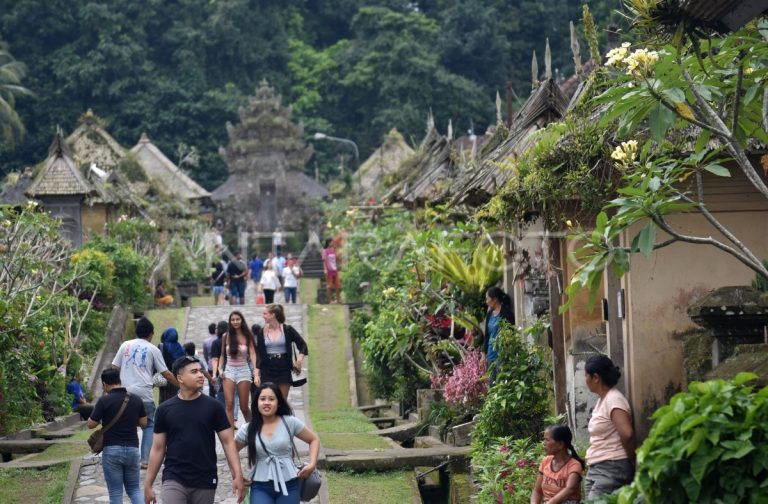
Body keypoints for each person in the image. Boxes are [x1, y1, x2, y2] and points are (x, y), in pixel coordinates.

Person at [143, 356, 244, 504]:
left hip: (205, 478)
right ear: (180, 378)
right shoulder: (165, 409)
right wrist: (148, 484)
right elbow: (158, 448)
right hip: (174, 477)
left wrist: (237, 474)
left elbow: (228, 442)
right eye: (194, 371)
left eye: (201, 371)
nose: (201, 375)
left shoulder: (214, 407)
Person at [235, 383, 320, 503]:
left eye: (271, 399)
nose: (266, 402)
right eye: (262, 399)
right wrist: (237, 474)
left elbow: (314, 439)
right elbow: (231, 451)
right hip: (260, 486)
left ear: (278, 402)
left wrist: (311, 465)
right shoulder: (248, 429)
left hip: (289, 484)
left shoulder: (290, 422)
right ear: (256, 403)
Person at [112, 316, 178, 469]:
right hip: (144, 393)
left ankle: (124, 460)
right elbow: (166, 373)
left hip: (124, 393)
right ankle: (145, 460)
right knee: (148, 425)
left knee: (125, 425)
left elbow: (114, 367)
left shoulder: (125, 346)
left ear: (136, 332)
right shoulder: (153, 349)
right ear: (151, 333)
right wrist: (181, 385)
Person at [87, 368, 147, 504]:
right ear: (120, 381)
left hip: (112, 450)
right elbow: (144, 423)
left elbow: (91, 424)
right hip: (132, 449)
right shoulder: (136, 399)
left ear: (104, 384)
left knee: (115, 493)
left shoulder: (104, 400)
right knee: (134, 490)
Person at [584, 355, 635, 499]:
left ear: (595, 377)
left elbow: (627, 434)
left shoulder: (614, 399)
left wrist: (631, 459)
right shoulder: (602, 400)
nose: (585, 380)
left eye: (586, 375)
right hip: (598, 467)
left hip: (612, 467)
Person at [255, 304, 308, 400]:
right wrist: (256, 373)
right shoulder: (261, 331)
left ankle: (283, 415)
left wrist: (299, 360)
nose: (263, 316)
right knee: (269, 397)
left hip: (284, 367)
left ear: (273, 315)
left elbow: (303, 345)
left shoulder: (287, 329)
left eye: (265, 313)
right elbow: (259, 353)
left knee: (282, 400)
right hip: (267, 368)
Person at [219, 310, 259, 427]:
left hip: (243, 370)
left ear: (242, 321)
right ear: (230, 322)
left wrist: (256, 373)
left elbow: (253, 354)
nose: (235, 322)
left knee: (244, 406)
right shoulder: (225, 336)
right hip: (229, 370)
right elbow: (222, 355)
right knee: (229, 404)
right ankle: (230, 436)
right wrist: (220, 370)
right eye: (233, 320)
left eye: (238, 319)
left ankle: (252, 428)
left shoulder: (247, 335)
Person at [530, 425, 585, 504]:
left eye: (547, 440)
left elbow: (569, 489)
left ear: (560, 444)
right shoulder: (546, 461)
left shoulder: (574, 465)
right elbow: (537, 491)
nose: (544, 443)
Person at [481, 286, 515, 383]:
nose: (486, 301)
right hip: (491, 357)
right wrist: (484, 355)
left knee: (503, 384)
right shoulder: (489, 314)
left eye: (487, 298)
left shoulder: (506, 314)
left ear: (495, 299)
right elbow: (487, 335)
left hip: (502, 356)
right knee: (492, 386)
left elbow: (511, 333)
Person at [211, 320, 238, 420]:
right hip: (235, 369)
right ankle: (234, 416)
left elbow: (215, 359)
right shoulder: (233, 340)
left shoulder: (216, 342)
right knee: (235, 394)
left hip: (223, 372)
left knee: (222, 394)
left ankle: (223, 417)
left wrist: (214, 374)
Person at [158, 328, 185, 404]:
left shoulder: (162, 346)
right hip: (177, 378)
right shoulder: (180, 348)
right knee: (176, 398)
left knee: (163, 399)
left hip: (164, 377)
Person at [322, 239, 341, 303]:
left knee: (338, 285)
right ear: (328, 243)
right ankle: (330, 301)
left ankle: (338, 300)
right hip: (329, 270)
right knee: (329, 286)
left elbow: (336, 260)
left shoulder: (334, 250)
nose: (333, 243)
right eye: (332, 242)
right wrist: (325, 269)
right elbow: (324, 261)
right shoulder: (325, 251)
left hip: (335, 269)